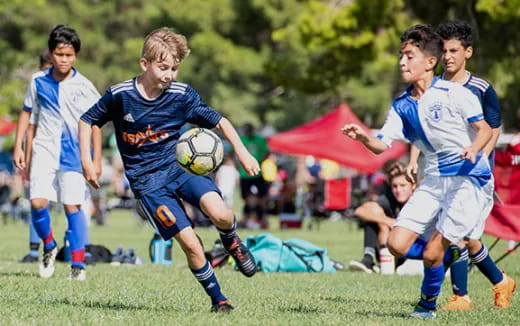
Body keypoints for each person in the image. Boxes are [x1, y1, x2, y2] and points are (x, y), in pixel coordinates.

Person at [78, 27, 258, 313]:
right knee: (190, 242)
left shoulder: (181, 95)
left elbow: (220, 121)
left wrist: (242, 151)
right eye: (163, 68)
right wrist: (88, 162)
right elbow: (88, 120)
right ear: (144, 64)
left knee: (222, 214)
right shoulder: (120, 96)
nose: (170, 75)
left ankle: (231, 241)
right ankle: (219, 300)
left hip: (181, 169)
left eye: (174, 68)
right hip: (147, 183)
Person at [342, 24, 494, 319]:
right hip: (434, 180)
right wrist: (363, 137)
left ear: (430, 62)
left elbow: (485, 129)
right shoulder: (401, 105)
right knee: (396, 244)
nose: (402, 62)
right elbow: (381, 145)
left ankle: (426, 305)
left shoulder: (453, 93)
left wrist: (474, 149)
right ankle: (448, 248)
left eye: (409, 56)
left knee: (429, 253)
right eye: (401, 56)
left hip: (468, 179)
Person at [406, 20, 515, 310]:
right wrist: (414, 160)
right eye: (443, 50)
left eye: (454, 50)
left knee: (458, 234)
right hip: (440, 174)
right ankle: (497, 281)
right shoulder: (431, 88)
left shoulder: (481, 88)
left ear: (468, 52)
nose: (448, 56)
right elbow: (422, 132)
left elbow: (492, 128)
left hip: (472, 175)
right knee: (463, 236)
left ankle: (462, 296)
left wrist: (480, 159)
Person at [12, 25, 102, 280]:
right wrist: (19, 146)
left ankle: (78, 265)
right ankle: (49, 245)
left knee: (72, 206)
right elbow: (27, 113)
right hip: (44, 150)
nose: (64, 60)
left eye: (69, 55)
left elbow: (97, 122)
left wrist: (95, 160)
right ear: (51, 54)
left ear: (76, 56)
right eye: (59, 54)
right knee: (37, 202)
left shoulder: (84, 86)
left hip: (74, 154)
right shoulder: (38, 81)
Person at [16, 49, 53, 263]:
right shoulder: (38, 89)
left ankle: (76, 251)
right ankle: (34, 249)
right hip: (41, 154)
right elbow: (31, 129)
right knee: (37, 201)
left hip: (63, 155)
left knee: (71, 205)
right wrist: (28, 157)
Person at [349, 162, 416, 273]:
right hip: (390, 249)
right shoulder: (389, 198)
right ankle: (368, 259)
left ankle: (383, 263)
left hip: (413, 250)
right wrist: (385, 221)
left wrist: (393, 223)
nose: (398, 190)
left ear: (413, 185)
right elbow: (359, 211)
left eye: (403, 185)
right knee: (374, 213)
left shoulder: (419, 202)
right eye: (395, 186)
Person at [238, 122, 269, 229]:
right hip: (244, 175)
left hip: (257, 173)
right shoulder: (241, 139)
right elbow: (233, 152)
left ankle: (263, 220)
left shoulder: (259, 140)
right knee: (246, 199)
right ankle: (245, 220)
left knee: (261, 199)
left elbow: (266, 153)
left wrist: (259, 161)